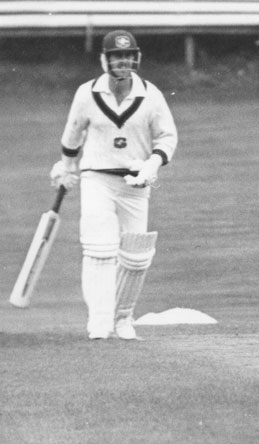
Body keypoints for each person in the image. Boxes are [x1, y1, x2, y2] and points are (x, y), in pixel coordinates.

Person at [50, 30, 177, 340]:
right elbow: (72, 134)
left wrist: (152, 164)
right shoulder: (87, 94)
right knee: (99, 248)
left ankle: (123, 319)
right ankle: (99, 321)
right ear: (104, 60)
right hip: (97, 179)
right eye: (116, 56)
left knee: (136, 256)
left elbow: (167, 136)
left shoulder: (150, 94)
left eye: (127, 55)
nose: (123, 61)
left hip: (136, 182)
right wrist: (66, 167)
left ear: (136, 58)